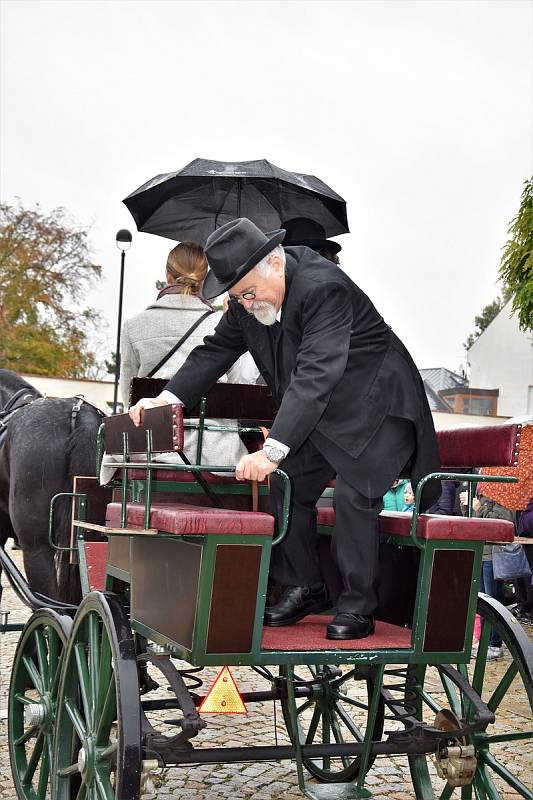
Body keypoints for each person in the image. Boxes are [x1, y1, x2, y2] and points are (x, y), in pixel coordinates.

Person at [130, 218, 441, 640]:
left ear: (274, 265)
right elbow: (214, 352)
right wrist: (166, 400)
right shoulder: (248, 302)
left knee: (355, 493)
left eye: (248, 293)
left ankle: (357, 607)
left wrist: (272, 448)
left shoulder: (323, 286)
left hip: (376, 405)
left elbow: (315, 373)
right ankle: (305, 587)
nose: (243, 303)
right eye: (236, 296)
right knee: (288, 484)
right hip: (323, 414)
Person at [120, 241, 247, 466]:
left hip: (153, 450)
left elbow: (127, 395)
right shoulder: (223, 325)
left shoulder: (133, 326)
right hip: (218, 454)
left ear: (168, 275)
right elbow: (237, 387)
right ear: (207, 279)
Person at [460, 491, 516, 660]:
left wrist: (480, 507)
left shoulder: (504, 496)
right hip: (480, 552)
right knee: (481, 602)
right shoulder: (480, 494)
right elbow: (472, 523)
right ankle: (484, 643)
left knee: (493, 601)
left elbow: (504, 523)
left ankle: (495, 643)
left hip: (493, 554)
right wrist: (466, 505)